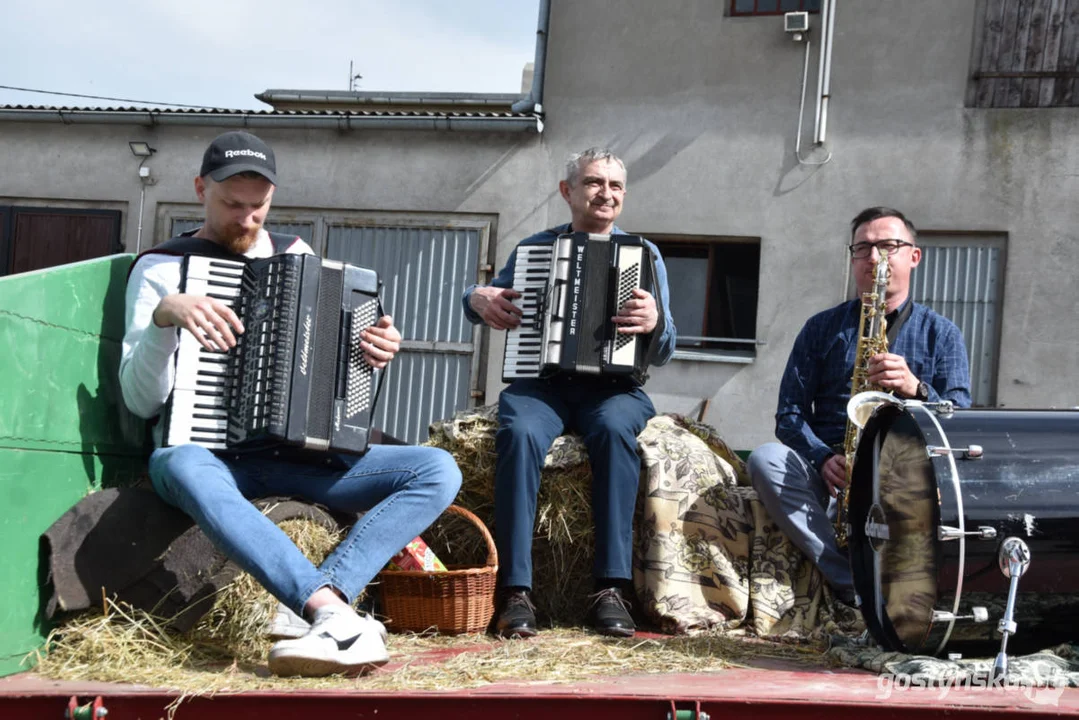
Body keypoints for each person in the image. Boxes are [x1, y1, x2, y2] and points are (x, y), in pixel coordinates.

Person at [119, 130, 461, 677]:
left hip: (292, 456)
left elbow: (328, 375)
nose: (247, 218)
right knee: (180, 458)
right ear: (200, 189)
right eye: (233, 204)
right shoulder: (163, 269)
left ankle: (317, 602)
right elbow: (140, 404)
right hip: (205, 458)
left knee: (437, 469)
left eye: (259, 206)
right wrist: (166, 318)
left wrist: (372, 348)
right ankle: (330, 613)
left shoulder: (297, 257)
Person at [461, 147, 677, 638]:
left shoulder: (646, 254)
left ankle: (611, 590)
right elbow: (483, 302)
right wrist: (478, 297)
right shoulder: (536, 249)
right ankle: (515, 593)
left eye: (616, 186)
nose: (606, 194)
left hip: (615, 389)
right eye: (594, 183)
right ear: (568, 192)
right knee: (517, 432)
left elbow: (665, 349)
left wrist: (655, 322)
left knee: (615, 431)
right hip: (544, 384)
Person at [748, 206, 971, 604]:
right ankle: (850, 579)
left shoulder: (943, 334)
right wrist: (821, 458)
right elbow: (789, 415)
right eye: (863, 248)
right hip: (834, 470)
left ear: (913, 256)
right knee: (765, 459)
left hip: (904, 469)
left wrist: (916, 389)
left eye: (888, 246)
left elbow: (959, 417)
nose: (874, 258)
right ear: (852, 258)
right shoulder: (820, 328)